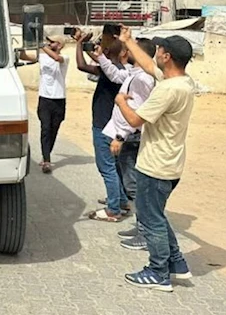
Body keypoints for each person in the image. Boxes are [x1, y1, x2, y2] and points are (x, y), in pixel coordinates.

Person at [116, 26, 196, 292]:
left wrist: (120, 102)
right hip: (170, 164)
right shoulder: (182, 81)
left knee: (151, 221)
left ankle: (158, 272)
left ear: (167, 56)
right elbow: (149, 66)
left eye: (160, 48)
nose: (157, 51)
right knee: (158, 216)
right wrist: (128, 40)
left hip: (155, 166)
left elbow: (135, 119)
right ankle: (177, 264)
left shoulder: (166, 91)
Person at [95, 38, 158, 250]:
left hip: (129, 137)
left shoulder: (143, 80)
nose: (125, 51)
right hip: (126, 135)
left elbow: (137, 112)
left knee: (135, 187)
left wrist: (120, 136)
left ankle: (145, 233)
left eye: (130, 48)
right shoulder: (135, 74)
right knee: (132, 185)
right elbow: (114, 74)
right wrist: (101, 57)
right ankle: (141, 227)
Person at [74, 29, 126, 222]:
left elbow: (81, 65)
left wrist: (79, 44)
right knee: (115, 166)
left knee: (107, 168)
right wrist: (84, 46)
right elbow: (94, 61)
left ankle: (113, 210)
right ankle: (120, 200)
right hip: (115, 125)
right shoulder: (119, 69)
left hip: (103, 125)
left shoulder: (110, 70)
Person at [20, 34, 69, 173]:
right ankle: (47, 160)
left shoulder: (65, 58)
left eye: (52, 42)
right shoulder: (43, 57)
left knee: (54, 129)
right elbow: (25, 57)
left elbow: (56, 58)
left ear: (59, 45)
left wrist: (41, 46)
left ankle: (46, 154)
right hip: (45, 98)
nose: (48, 43)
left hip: (59, 99)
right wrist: (24, 46)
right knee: (46, 128)